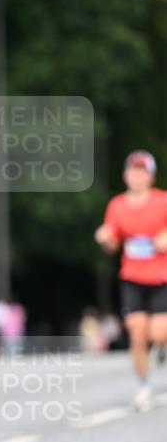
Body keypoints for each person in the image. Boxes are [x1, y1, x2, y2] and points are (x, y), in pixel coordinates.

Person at [94, 150, 167, 410]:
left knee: (158, 333)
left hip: (161, 277)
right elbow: (113, 244)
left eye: (142, 172)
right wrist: (105, 238)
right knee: (137, 334)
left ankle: (161, 346)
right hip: (132, 277)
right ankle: (143, 387)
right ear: (126, 175)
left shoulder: (162, 201)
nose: (137, 177)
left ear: (151, 176)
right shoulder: (117, 205)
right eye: (133, 172)